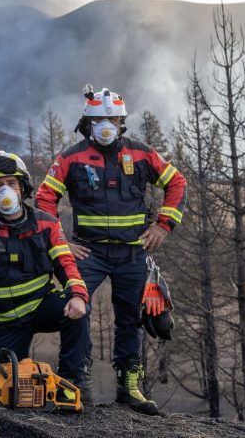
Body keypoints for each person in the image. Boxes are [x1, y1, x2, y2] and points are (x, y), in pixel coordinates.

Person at [35, 85, 187, 414]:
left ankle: (129, 387)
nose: (106, 124)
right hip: (88, 253)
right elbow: (44, 198)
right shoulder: (71, 158)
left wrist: (164, 224)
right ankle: (75, 382)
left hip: (132, 253)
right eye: (99, 119)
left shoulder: (142, 153)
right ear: (87, 123)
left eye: (113, 118)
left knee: (130, 320)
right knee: (76, 310)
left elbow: (177, 183)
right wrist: (61, 241)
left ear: (121, 121)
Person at [0, 153, 89, 399]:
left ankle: (72, 385)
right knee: (0, 390)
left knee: (78, 314)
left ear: (23, 187)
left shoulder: (46, 223)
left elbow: (65, 263)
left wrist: (78, 295)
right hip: (3, 321)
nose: (5, 190)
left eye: (11, 183)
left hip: (40, 306)